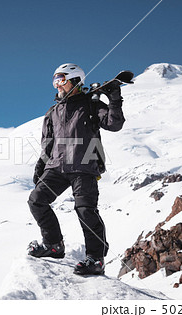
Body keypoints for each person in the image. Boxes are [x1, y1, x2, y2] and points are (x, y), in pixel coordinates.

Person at [27, 63, 125, 275]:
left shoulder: (91, 105)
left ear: (75, 80)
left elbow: (114, 124)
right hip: (57, 166)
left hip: (84, 166)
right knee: (37, 201)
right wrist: (41, 165)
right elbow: (48, 143)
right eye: (54, 81)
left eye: (61, 80)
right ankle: (53, 245)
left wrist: (115, 99)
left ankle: (95, 259)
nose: (57, 85)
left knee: (85, 210)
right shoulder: (53, 111)